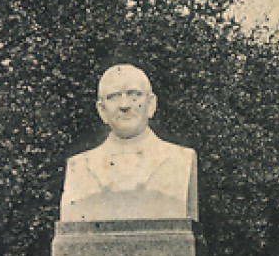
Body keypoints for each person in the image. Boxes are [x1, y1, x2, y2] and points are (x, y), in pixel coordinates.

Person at [60, 65, 197, 221]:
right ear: (102, 110)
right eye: (114, 96)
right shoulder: (78, 167)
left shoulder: (181, 160)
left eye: (134, 95)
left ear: (151, 104)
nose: (124, 105)